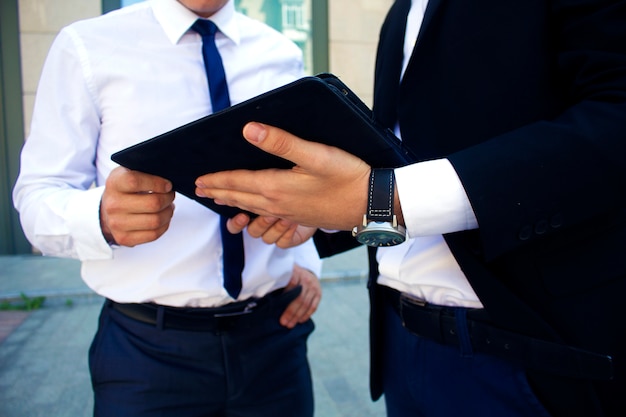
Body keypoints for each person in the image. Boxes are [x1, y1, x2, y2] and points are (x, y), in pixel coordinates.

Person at [194, 0, 626, 416]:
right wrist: (321, 214)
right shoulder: (401, 12)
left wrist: (382, 200)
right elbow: (406, 160)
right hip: (400, 343)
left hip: (523, 352)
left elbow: (613, 113)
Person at [12, 1, 323, 416]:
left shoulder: (280, 51)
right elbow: (38, 195)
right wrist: (100, 217)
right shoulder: (87, 46)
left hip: (273, 343)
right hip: (148, 357)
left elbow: (299, 178)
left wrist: (306, 258)